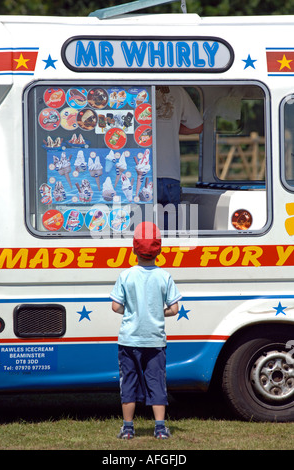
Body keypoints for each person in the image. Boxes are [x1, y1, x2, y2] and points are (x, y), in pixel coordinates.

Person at [110, 221, 181, 440]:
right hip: (155, 341)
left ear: (133, 249)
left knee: (128, 382)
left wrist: (132, 310)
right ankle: (160, 427)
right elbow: (174, 308)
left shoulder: (126, 275)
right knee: (157, 383)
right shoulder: (164, 276)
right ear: (159, 251)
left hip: (129, 340)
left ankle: (128, 428)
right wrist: (158, 313)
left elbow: (115, 306)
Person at [156, 86, 203, 229]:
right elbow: (197, 127)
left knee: (138, 234)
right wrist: (173, 126)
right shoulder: (177, 90)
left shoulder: (128, 88)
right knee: (170, 236)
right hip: (170, 173)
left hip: (137, 174)